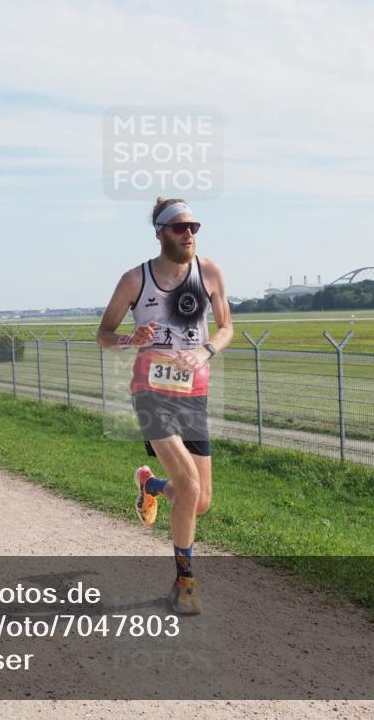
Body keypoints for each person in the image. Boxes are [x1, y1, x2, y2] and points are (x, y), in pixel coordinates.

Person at [96, 198, 233, 615]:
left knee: (201, 500)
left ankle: (151, 486)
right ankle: (185, 583)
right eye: (178, 227)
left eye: (193, 226)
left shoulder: (209, 272)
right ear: (159, 233)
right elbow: (104, 332)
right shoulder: (134, 280)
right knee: (189, 486)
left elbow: (227, 327)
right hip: (151, 391)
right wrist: (128, 341)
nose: (188, 233)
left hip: (194, 391)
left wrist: (207, 350)